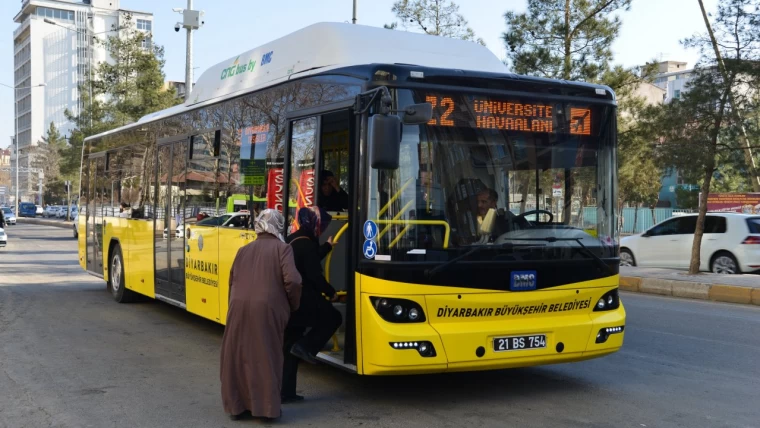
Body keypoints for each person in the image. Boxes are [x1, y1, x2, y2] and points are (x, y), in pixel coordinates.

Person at [220, 209, 303, 421]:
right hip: (267, 309)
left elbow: (232, 279)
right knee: (266, 355)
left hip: (238, 307)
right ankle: (265, 409)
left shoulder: (244, 249)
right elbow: (293, 281)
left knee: (238, 355)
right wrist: (292, 305)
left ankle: (238, 407)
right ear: (279, 226)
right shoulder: (283, 249)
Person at [282, 207, 342, 403]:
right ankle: (307, 347)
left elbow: (309, 259)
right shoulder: (307, 245)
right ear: (313, 224)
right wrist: (331, 292)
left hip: (288, 300)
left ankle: (286, 392)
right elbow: (315, 275)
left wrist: (327, 247)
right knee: (333, 317)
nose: (322, 229)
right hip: (305, 299)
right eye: (321, 225)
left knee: (290, 346)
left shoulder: (293, 239)